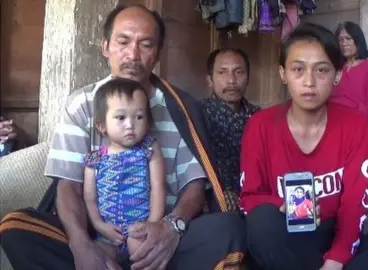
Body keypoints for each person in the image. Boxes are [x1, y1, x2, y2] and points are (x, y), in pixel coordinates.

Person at [0, 4, 245, 270]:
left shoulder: (179, 106)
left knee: (228, 228)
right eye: (123, 41)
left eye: (146, 44)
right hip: (97, 236)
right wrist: (81, 245)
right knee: (15, 226)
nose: (133, 54)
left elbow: (195, 185)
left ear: (157, 53)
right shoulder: (82, 103)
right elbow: (68, 185)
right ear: (105, 47)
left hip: (163, 240)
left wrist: (170, 228)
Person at [241, 22, 368, 270]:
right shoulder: (259, 125)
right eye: (298, 69)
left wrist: (336, 259)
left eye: (321, 70)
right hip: (283, 234)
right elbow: (249, 198)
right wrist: (281, 206)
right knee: (263, 222)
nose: (309, 81)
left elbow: (353, 204)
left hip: (332, 233)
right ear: (283, 74)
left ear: (337, 75)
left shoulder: (354, 124)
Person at [83, 78, 166, 259]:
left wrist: (153, 224)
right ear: (101, 125)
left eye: (139, 117)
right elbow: (90, 199)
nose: (130, 124)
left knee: (142, 253)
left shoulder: (149, 148)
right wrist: (99, 225)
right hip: (108, 236)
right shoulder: (95, 159)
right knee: (96, 257)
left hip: (141, 231)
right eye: (121, 118)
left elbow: (159, 188)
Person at [199, 48, 260, 206]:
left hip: (255, 196)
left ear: (248, 79)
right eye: (222, 72)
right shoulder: (197, 115)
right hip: (212, 199)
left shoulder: (260, 118)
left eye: (239, 72)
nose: (231, 80)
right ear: (209, 80)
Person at [329, 21, 368, 151]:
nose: (343, 43)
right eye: (340, 40)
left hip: (361, 124)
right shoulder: (334, 69)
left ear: (357, 40)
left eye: (348, 38)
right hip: (333, 124)